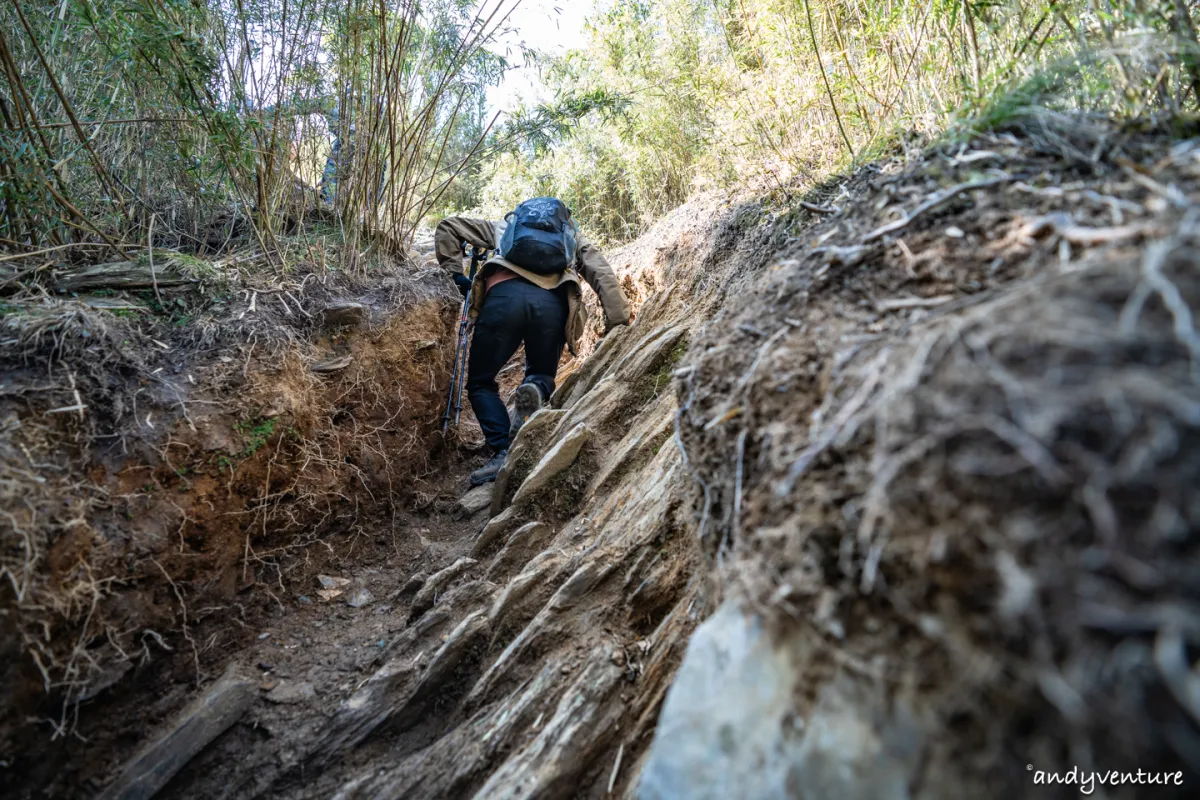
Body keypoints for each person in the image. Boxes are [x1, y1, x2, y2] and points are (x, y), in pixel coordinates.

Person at [436, 199, 631, 486]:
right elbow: (601, 273)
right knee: (541, 374)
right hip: (552, 306)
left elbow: (448, 227)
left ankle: (503, 449)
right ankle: (534, 389)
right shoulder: (572, 237)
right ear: (564, 219)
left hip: (503, 299)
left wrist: (455, 275)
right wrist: (619, 321)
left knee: (481, 381)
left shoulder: (507, 227)